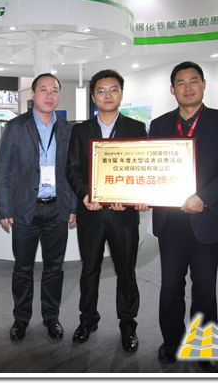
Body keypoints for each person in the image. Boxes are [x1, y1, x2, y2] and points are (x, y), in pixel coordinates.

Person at [149, 61, 218, 371]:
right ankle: (171, 342)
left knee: (204, 287)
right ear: (172, 89)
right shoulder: (159, 125)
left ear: (204, 85)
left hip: (207, 217)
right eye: (181, 82)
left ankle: (204, 348)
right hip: (170, 220)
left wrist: (203, 197)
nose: (188, 87)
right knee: (170, 285)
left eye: (194, 81)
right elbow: (150, 166)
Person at [66, 69, 148, 353]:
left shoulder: (136, 129)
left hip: (124, 215)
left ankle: (128, 324)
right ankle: (88, 320)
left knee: (126, 271)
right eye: (101, 91)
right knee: (90, 270)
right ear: (93, 97)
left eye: (113, 89)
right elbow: (73, 168)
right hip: (91, 213)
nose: (108, 95)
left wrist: (135, 197)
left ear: (121, 94)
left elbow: (142, 168)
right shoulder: (81, 130)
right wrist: (84, 194)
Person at [0, 73, 77, 342]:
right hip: (24, 209)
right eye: (43, 89)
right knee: (23, 268)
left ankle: (51, 317)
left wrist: (73, 206)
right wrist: (4, 209)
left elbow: (73, 171)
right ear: (33, 94)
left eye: (54, 90)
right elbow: (3, 170)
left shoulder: (67, 129)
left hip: (57, 209)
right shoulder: (16, 127)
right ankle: (21, 318)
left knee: (54, 268)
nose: (49, 95)